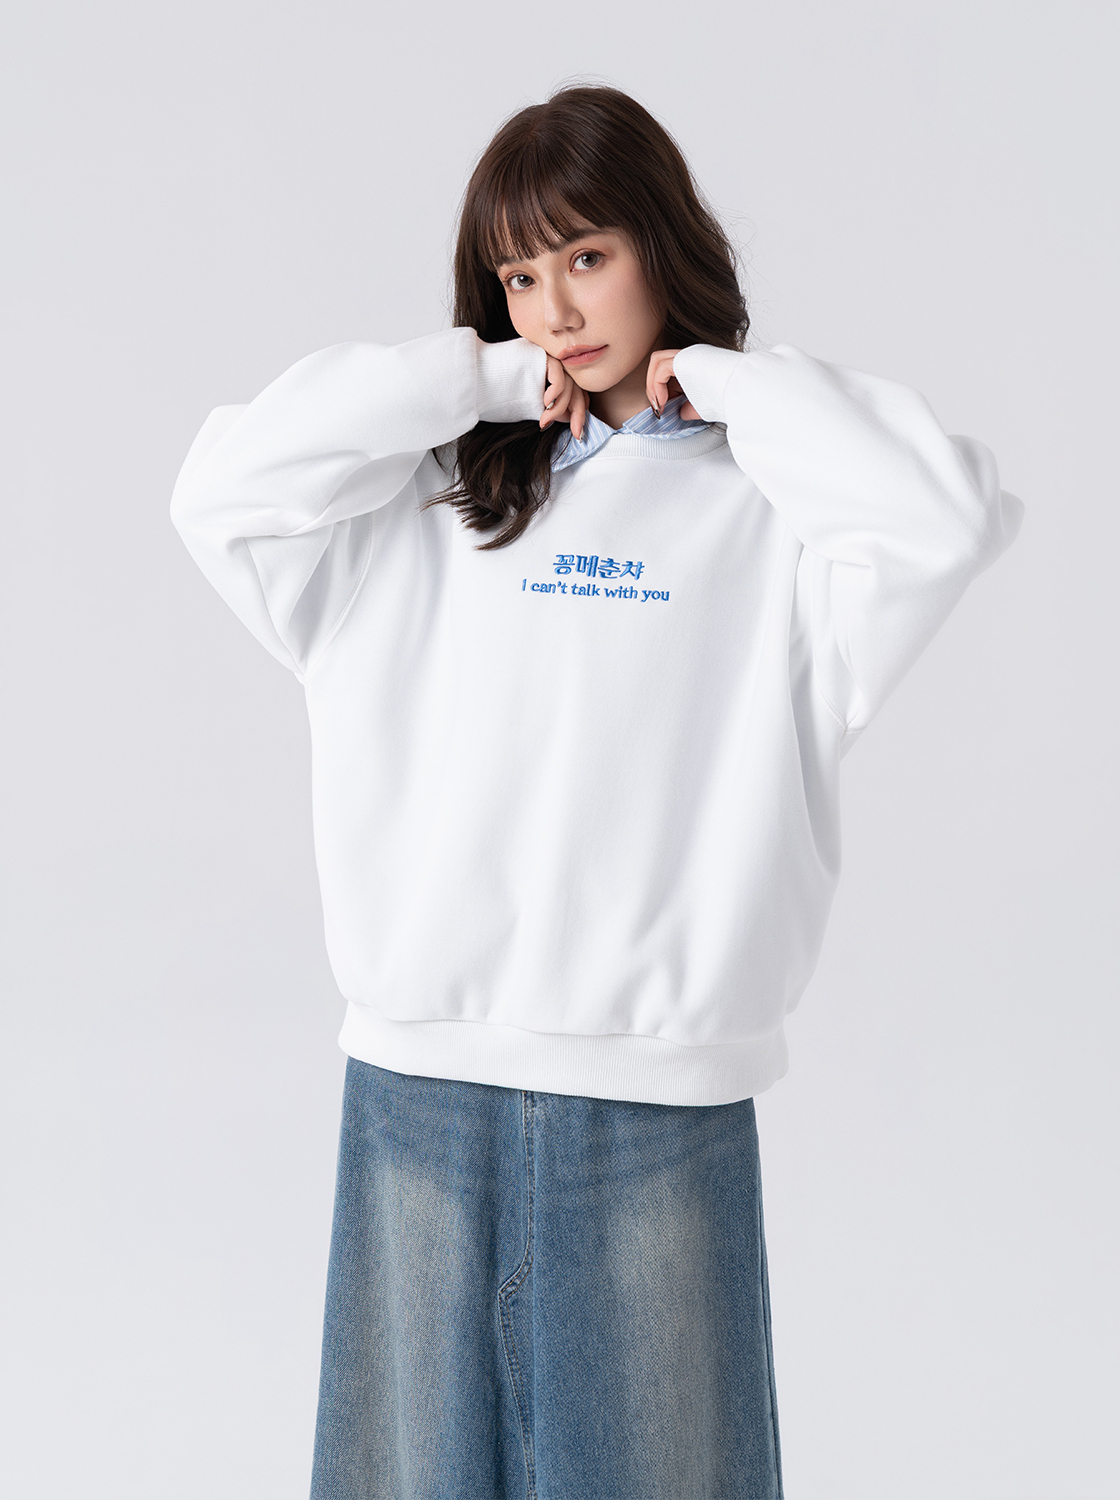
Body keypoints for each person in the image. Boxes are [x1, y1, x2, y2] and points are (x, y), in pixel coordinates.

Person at [169, 84, 1023, 1500]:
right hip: (420, 1100)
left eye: (586, 256)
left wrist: (730, 387)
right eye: (519, 275)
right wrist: (476, 382)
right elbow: (222, 490)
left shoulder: (776, 519)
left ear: (659, 247)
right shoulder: (424, 505)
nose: (556, 308)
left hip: (650, 1120)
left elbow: (943, 512)